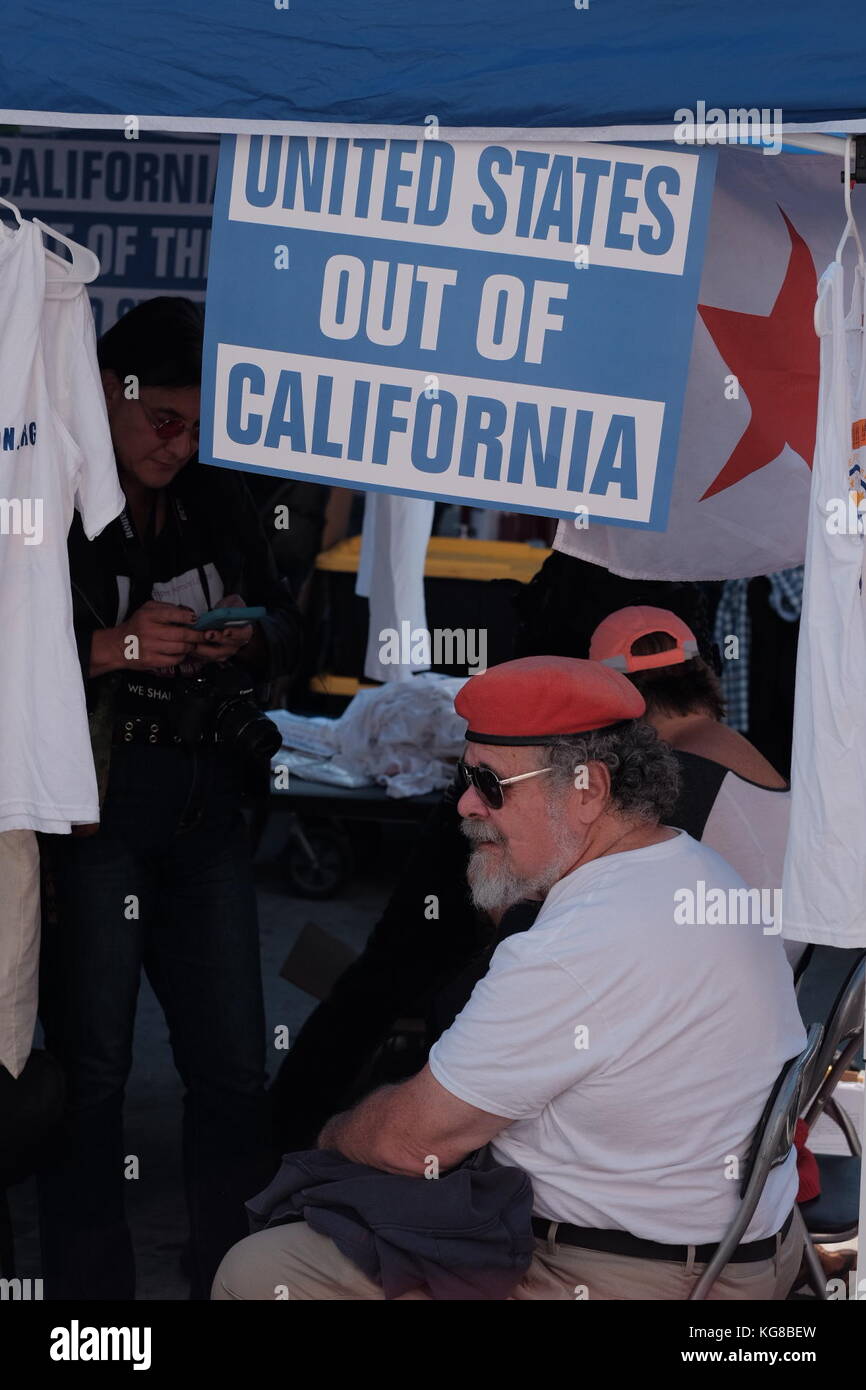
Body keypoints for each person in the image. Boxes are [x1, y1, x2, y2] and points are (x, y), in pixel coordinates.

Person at [217, 657, 806, 1300]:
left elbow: (411, 1143)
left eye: (493, 785)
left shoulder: (575, 945)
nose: (467, 804)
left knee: (259, 1272)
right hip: (735, 1251)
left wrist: (332, 1134)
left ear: (588, 788)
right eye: (464, 777)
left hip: (632, 1276)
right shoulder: (697, 869)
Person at [37, 296, 302, 1301]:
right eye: (162, 422)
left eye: (198, 428)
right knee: (92, 1080)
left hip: (204, 809)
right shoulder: (46, 492)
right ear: (109, 390)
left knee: (235, 1071)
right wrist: (110, 647)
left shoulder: (219, 493)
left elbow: (291, 623)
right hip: (98, 818)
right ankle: (89, 1306)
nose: (179, 446)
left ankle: (232, 1281)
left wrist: (252, 639)